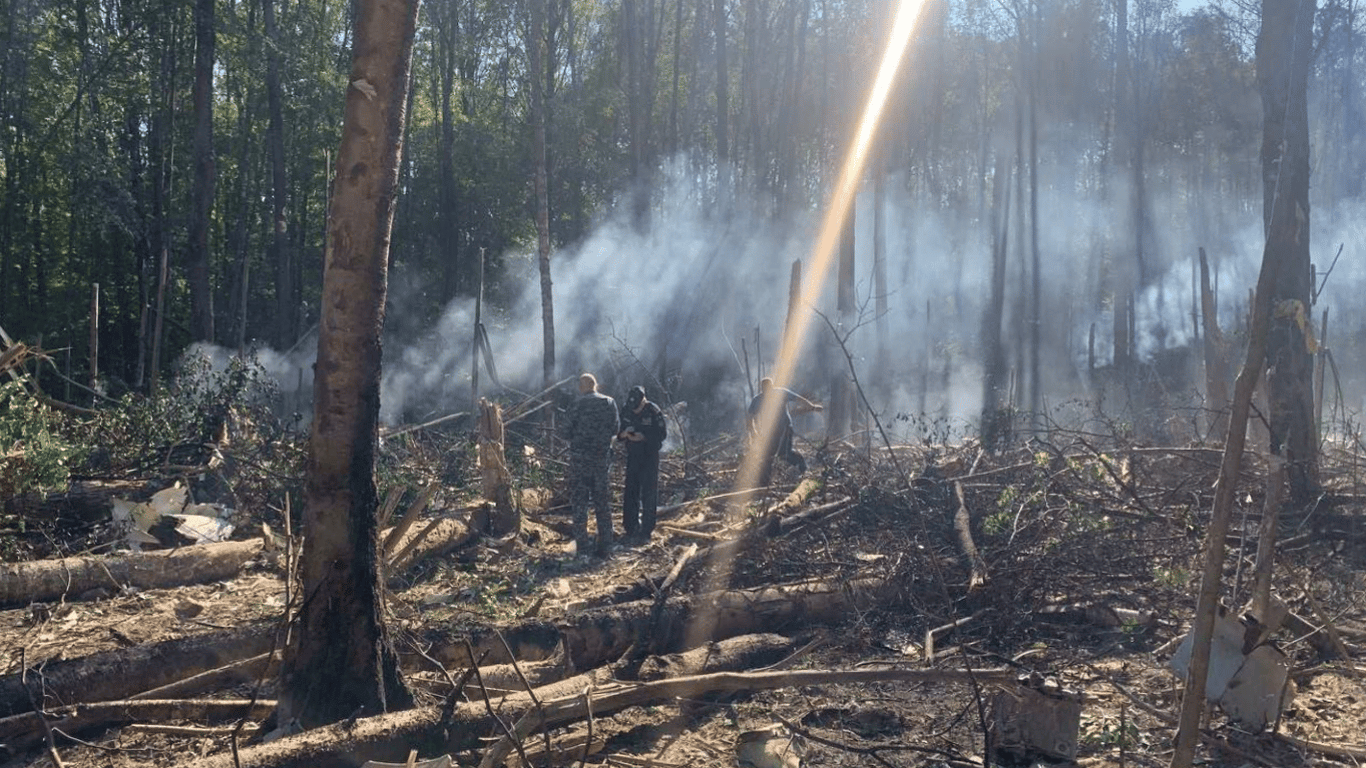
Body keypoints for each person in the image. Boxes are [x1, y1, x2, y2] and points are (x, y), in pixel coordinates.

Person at [567, 373, 619, 556]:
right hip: (600, 460)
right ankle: (606, 543)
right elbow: (615, 429)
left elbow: (567, 430)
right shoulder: (609, 403)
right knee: (602, 501)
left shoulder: (577, 404)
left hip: (580, 461)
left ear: (582, 386)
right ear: (595, 385)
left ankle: (582, 545)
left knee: (580, 503)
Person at [747, 377, 823, 483]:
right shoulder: (758, 399)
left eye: (769, 388)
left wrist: (813, 407)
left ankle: (804, 469)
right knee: (767, 455)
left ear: (772, 387)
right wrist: (753, 431)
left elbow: (798, 399)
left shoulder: (781, 393)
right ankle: (764, 482)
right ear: (762, 389)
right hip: (769, 432)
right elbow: (750, 417)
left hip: (785, 428)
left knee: (784, 454)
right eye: (764, 389)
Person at [618, 385, 666, 542]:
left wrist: (644, 437)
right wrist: (624, 434)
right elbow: (617, 432)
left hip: (649, 456)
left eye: (637, 407)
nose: (635, 411)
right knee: (631, 491)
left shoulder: (653, 410)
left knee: (649, 494)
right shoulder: (626, 409)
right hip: (633, 455)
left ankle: (646, 530)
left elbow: (662, 434)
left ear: (643, 401)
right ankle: (630, 528)